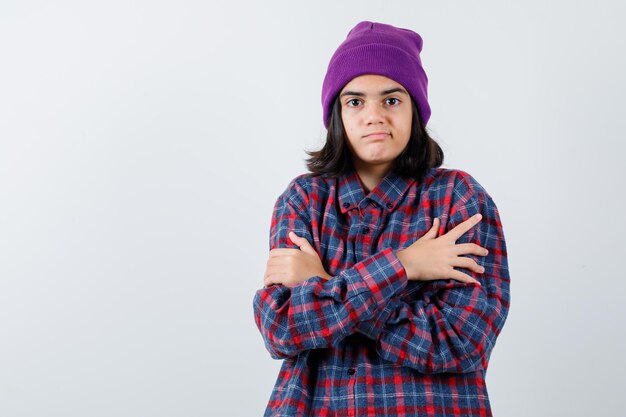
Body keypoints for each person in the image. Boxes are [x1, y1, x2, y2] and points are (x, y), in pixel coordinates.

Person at [253, 20, 510, 417]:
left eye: (391, 100)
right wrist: (404, 265)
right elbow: (281, 328)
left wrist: (323, 286)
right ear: (337, 113)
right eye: (355, 101)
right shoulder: (303, 198)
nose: (374, 116)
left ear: (415, 110)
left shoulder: (459, 198)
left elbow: (462, 341)